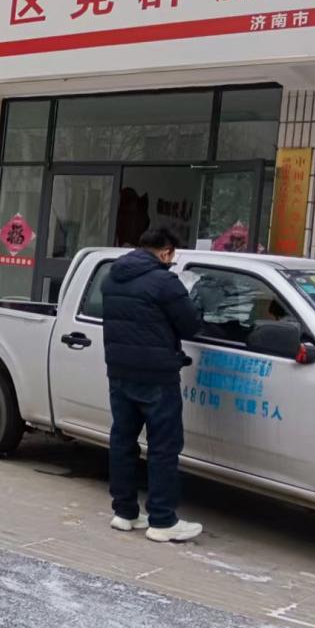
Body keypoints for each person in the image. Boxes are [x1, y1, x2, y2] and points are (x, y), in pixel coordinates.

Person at [101, 226, 204, 543]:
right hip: (157, 376)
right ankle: (162, 520)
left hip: (119, 371)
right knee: (163, 447)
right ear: (166, 251)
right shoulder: (164, 281)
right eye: (172, 256)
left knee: (122, 441)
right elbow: (191, 324)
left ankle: (125, 513)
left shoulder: (112, 276)